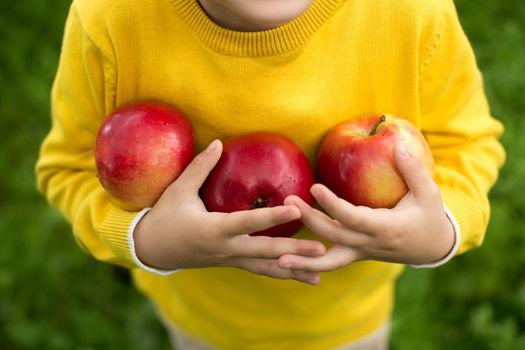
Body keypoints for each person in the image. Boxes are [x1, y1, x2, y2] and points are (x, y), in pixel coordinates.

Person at [36, 0, 505, 348]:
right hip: (202, 317)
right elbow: (70, 165)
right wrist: (147, 240)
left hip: (345, 320)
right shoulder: (112, 22)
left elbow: (468, 144)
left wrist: (441, 228)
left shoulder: (411, 16)